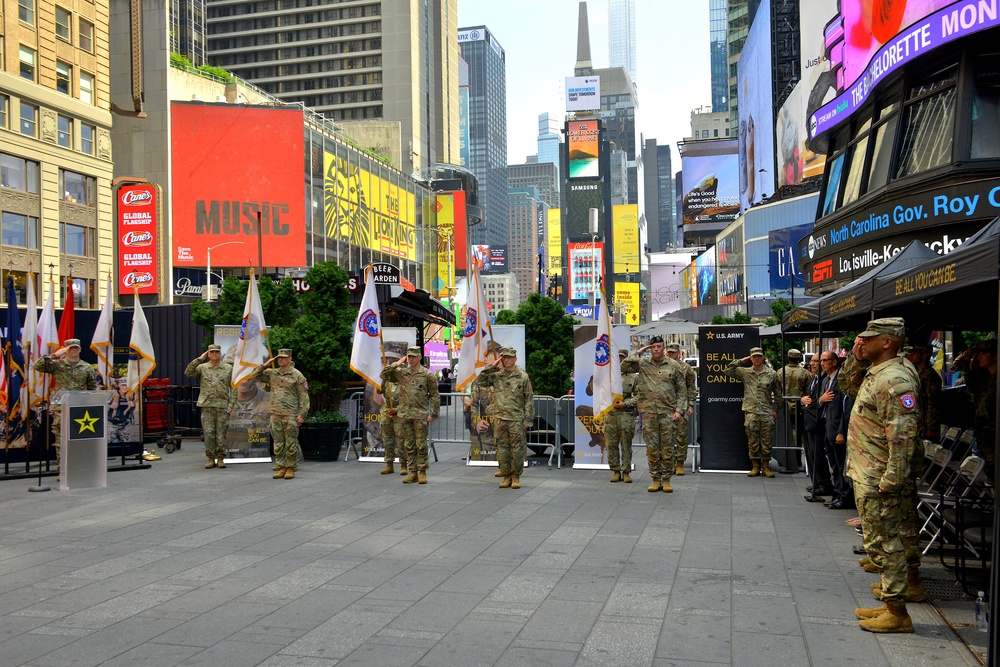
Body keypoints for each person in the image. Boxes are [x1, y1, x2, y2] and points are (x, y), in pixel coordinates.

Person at [842, 318, 919, 633]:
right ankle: (892, 602)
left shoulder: (894, 379)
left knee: (885, 543)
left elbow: (902, 434)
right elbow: (848, 385)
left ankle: (898, 613)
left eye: (868, 338)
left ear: (887, 341)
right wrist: (856, 357)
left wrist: (892, 480)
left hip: (879, 475)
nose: (861, 342)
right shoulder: (880, 373)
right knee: (884, 542)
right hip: (870, 469)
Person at [621, 336, 687, 493]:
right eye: (653, 347)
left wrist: (679, 410)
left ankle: (666, 479)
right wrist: (640, 351)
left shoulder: (673, 365)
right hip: (649, 413)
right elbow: (623, 366)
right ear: (650, 348)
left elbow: (681, 389)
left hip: (667, 413)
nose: (656, 349)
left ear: (664, 348)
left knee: (667, 447)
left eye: (659, 346)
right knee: (652, 448)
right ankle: (655, 479)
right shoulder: (643, 364)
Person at [36, 338, 98, 471]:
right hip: (62, 408)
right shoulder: (58, 365)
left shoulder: (87, 367)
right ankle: (63, 470)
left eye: (76, 348)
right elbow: (37, 365)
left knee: (79, 440)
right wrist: (55, 354)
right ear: (66, 350)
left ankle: (79, 468)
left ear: (80, 349)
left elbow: (92, 389)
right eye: (71, 348)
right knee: (61, 441)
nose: (74, 350)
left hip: (80, 409)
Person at [381, 346, 439, 485]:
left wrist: (433, 413)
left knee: (421, 445)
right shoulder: (402, 373)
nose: (411, 359)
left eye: (414, 356)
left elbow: (435, 395)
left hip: (420, 414)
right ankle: (413, 472)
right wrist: (396, 364)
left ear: (420, 357)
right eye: (409, 356)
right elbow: (384, 375)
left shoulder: (427, 375)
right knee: (409, 445)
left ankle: (423, 472)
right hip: (405, 415)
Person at [477, 346, 533, 489]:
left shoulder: (522, 376)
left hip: (515, 418)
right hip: (500, 418)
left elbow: (528, 399)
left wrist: (527, 419)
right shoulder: (496, 375)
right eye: (504, 357)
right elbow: (480, 382)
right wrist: (491, 368)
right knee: (502, 449)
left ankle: (516, 477)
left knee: (517, 449)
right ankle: (506, 475)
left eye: (509, 357)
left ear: (515, 359)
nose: (506, 360)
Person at [251, 349, 310, 480]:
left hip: (291, 414)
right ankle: (281, 466)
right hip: (275, 413)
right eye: (279, 358)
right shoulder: (272, 373)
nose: (281, 360)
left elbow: (304, 397)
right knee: (278, 442)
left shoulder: (297, 375)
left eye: (284, 358)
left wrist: (302, 415)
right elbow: (255, 375)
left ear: (290, 359)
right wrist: (265, 365)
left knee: (290, 442)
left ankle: (290, 467)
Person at [725, 347, 780, 477]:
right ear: (751, 358)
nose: (757, 358)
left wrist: (776, 409)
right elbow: (727, 370)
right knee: (753, 440)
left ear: (763, 357)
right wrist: (740, 361)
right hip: (751, 412)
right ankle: (755, 466)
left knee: (767, 441)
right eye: (754, 356)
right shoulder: (745, 372)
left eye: (759, 356)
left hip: (766, 411)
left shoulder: (771, 373)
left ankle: (766, 466)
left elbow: (778, 393)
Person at [184, 344, 234, 469]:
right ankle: (211, 458)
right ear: (208, 354)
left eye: (217, 352)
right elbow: (188, 372)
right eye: (212, 352)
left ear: (220, 353)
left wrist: (231, 404)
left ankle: (221, 458)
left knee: (221, 433)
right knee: (208, 433)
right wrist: (199, 359)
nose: (214, 354)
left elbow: (234, 388)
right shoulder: (202, 367)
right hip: (207, 405)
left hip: (222, 405)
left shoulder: (228, 368)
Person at [954, 338, 997, 482]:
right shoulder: (986, 378)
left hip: (993, 437)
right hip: (984, 437)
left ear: (996, 355)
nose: (979, 356)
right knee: (991, 476)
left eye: (984, 352)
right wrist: (967, 359)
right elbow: (958, 367)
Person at [816, 352, 854, 509]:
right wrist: (820, 400)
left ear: (834, 362)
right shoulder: (825, 379)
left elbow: (845, 408)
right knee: (833, 461)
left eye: (825, 360)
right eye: (821, 361)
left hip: (837, 428)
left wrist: (840, 431)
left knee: (840, 464)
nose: (822, 363)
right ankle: (838, 492)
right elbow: (820, 401)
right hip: (827, 425)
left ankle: (845, 495)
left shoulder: (841, 380)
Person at [464, 341, 500, 472]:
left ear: (497, 356)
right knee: (489, 457)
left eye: (487, 354)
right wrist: (477, 421)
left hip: (507, 426)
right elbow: (474, 404)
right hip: (487, 432)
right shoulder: (480, 380)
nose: (483, 359)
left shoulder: (509, 377)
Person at [604, 348, 638, 484]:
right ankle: (615, 470)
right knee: (611, 444)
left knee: (626, 444)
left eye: (622, 358)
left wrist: (626, 403)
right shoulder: (607, 376)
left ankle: (626, 471)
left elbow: (639, 396)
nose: (620, 360)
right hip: (611, 414)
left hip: (626, 414)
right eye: (617, 358)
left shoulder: (633, 377)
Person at [665, 342, 696, 476]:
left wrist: (691, 404)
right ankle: (670, 463)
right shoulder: (664, 366)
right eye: (669, 352)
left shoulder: (686, 368)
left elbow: (691, 387)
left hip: (682, 405)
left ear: (679, 353)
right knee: (668, 437)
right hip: (667, 405)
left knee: (681, 436)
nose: (671, 354)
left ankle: (680, 463)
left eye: (673, 352)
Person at [905, 344, 942, 442]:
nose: (911, 355)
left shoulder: (929, 376)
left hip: (926, 425)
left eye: (914, 353)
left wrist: (931, 428)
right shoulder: (918, 373)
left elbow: (933, 403)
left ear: (924, 356)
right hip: (918, 422)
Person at [376, 363, 403, 475]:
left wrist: (396, 410)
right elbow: (379, 391)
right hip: (387, 411)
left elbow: (409, 401)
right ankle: (389, 464)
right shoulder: (387, 381)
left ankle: (404, 464)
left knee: (401, 440)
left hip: (400, 413)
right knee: (387, 439)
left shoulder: (404, 383)